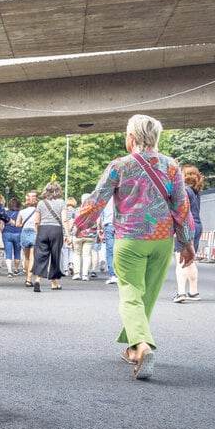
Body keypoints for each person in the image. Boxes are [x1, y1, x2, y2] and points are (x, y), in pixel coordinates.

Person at [74, 114, 195, 380]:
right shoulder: (172, 166)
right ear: (156, 138)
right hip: (162, 241)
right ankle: (132, 349)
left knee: (130, 294)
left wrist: (80, 224)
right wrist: (186, 242)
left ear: (131, 138)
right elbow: (181, 207)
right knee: (147, 296)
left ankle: (142, 346)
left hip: (129, 240)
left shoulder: (120, 166)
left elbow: (98, 198)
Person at [173, 164, 204, 303]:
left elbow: (181, 210)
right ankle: (194, 291)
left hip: (186, 226)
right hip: (197, 225)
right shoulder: (196, 192)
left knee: (181, 260)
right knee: (191, 260)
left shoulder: (184, 191)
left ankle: (181, 292)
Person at [31, 181, 69, 292]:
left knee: (41, 255)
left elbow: (37, 221)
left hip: (43, 229)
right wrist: (67, 234)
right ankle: (53, 283)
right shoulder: (62, 202)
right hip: (56, 229)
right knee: (55, 255)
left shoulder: (41, 203)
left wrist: (38, 231)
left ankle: (38, 279)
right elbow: (64, 219)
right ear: (58, 191)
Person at [71, 193, 98, 281]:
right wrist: (100, 232)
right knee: (87, 255)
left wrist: (69, 233)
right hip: (90, 235)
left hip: (78, 234)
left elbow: (73, 222)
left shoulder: (77, 210)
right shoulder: (94, 211)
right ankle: (85, 275)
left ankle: (77, 273)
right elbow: (98, 223)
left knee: (77, 254)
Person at [16, 191, 39, 286]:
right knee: (32, 257)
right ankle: (29, 279)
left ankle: (27, 277)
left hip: (24, 232)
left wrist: (24, 224)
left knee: (26, 258)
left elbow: (18, 224)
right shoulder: (38, 212)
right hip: (34, 232)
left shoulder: (22, 212)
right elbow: (38, 222)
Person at [2, 197, 23, 276]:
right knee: (17, 252)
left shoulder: (6, 212)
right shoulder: (20, 213)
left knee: (8, 252)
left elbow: (2, 222)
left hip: (7, 233)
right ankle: (16, 269)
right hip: (18, 233)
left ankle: (9, 270)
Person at [100, 197, 117, 284]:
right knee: (122, 250)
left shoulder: (106, 198)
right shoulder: (124, 194)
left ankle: (112, 275)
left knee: (110, 251)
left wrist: (101, 229)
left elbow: (101, 214)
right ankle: (121, 274)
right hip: (122, 225)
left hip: (108, 225)